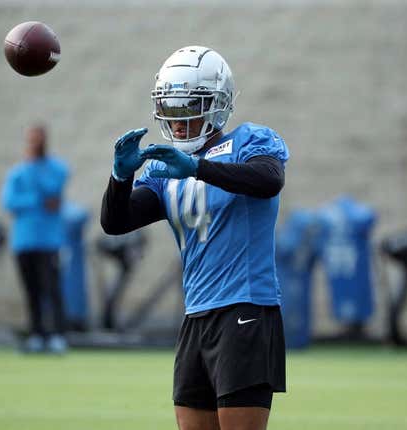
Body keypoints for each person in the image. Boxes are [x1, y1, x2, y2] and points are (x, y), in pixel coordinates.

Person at [101, 46, 289, 430]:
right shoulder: (163, 168)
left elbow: (269, 180)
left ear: (218, 103)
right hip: (196, 315)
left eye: (190, 107)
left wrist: (198, 167)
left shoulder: (250, 140)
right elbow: (116, 222)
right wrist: (119, 179)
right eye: (171, 110)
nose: (180, 120)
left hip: (245, 308)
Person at [1, 125, 69, 354]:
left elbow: (52, 190)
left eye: (38, 139)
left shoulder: (56, 168)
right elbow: (10, 202)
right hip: (24, 241)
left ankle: (57, 334)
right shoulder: (18, 172)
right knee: (31, 291)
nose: (35, 143)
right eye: (31, 139)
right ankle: (36, 334)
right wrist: (35, 200)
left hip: (49, 241)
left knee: (51, 288)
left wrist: (34, 188)